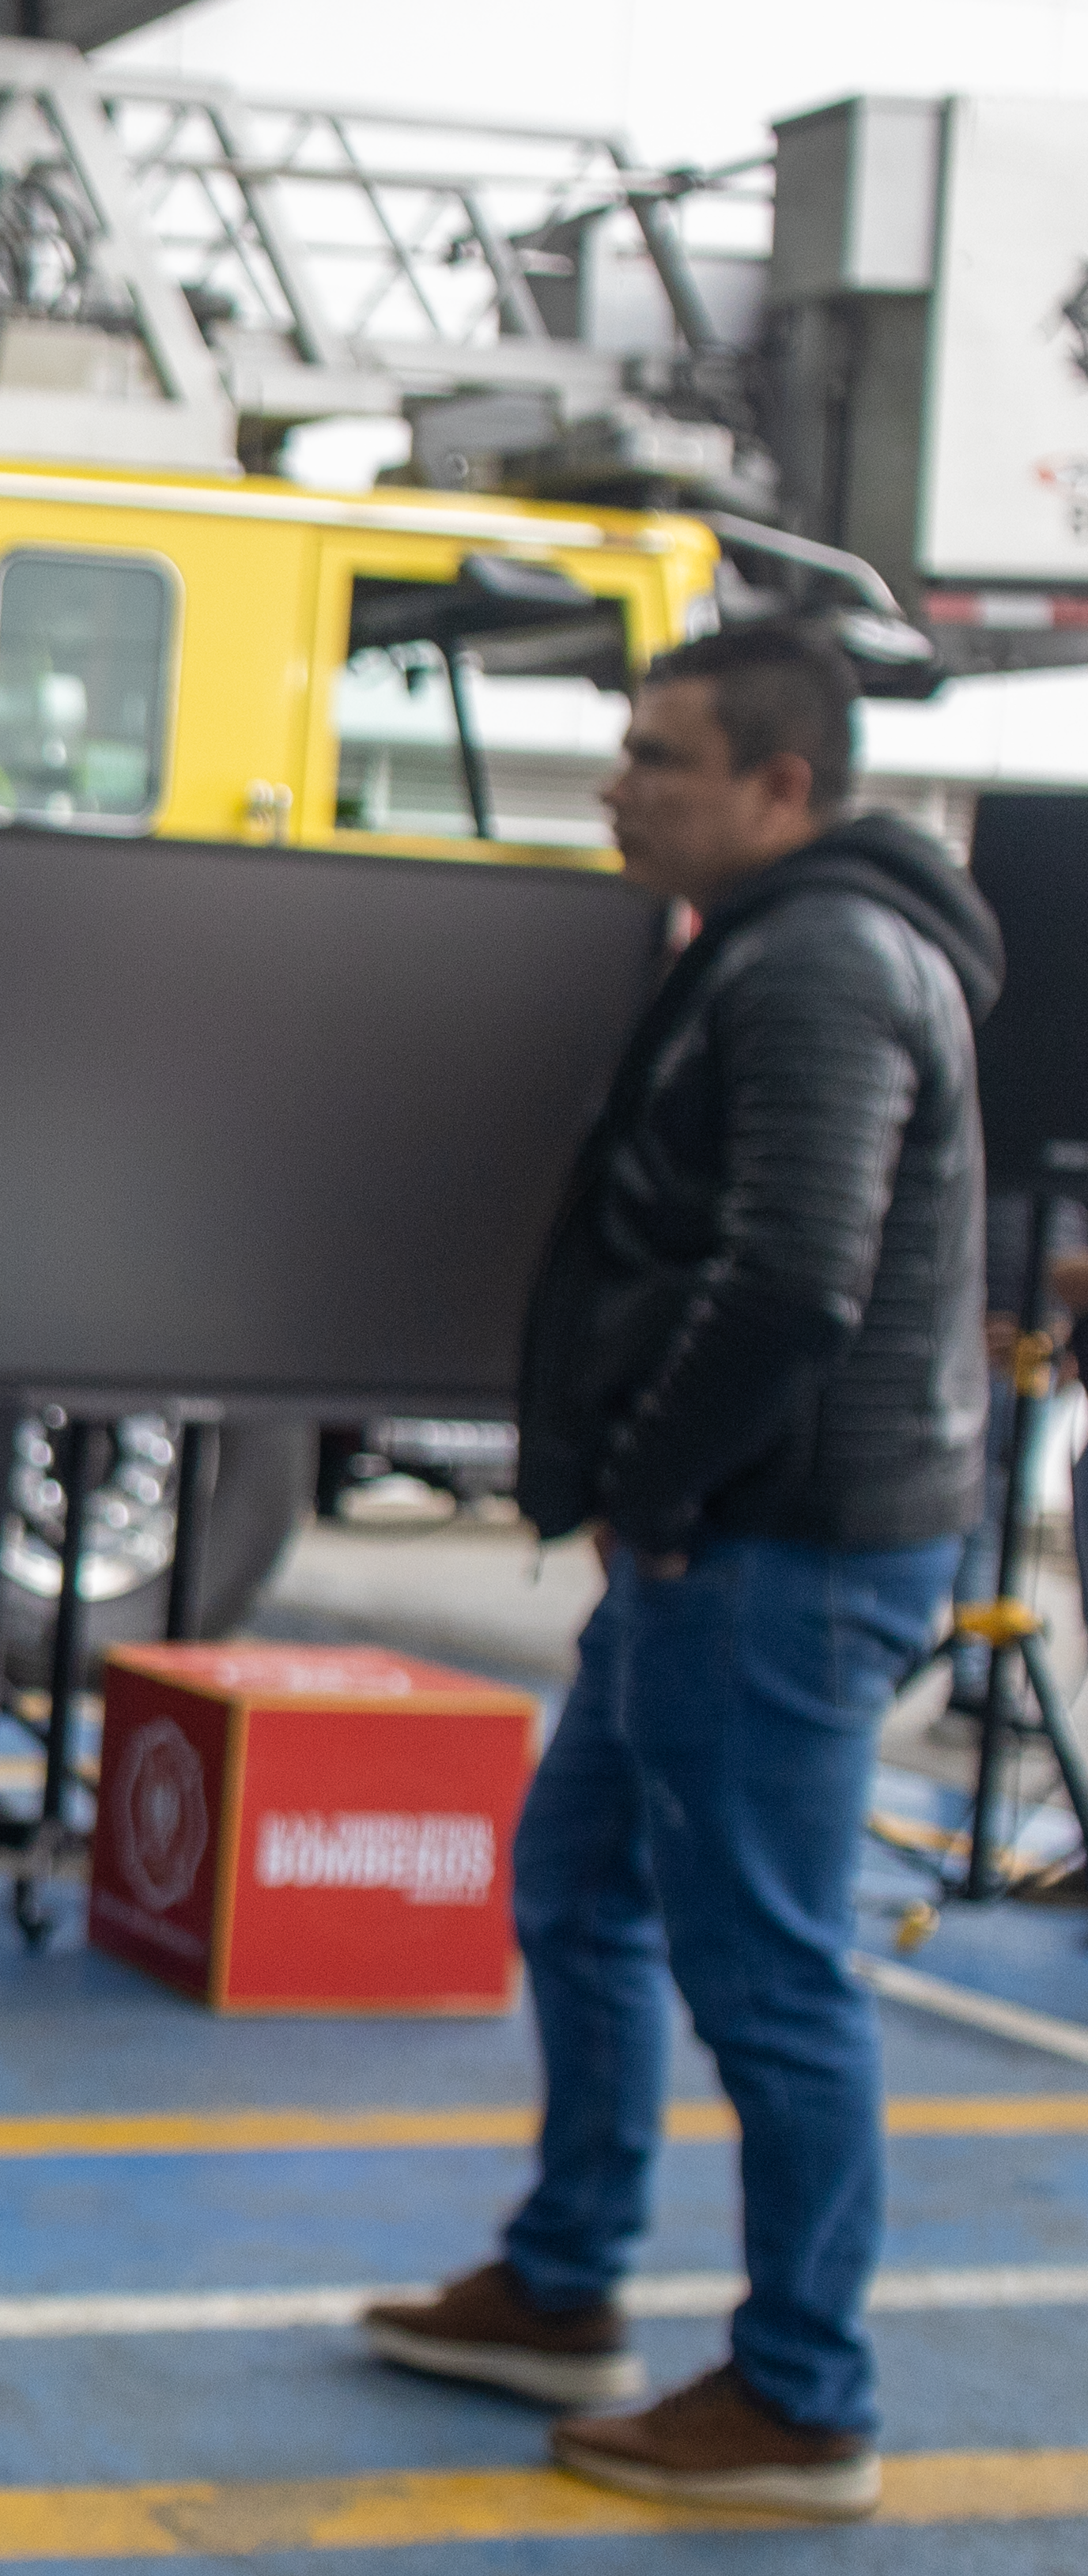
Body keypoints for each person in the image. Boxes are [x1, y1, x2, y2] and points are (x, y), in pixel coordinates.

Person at [363, 624, 995, 2519]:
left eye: (660, 756)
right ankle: (564, 2282)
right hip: (726, 1542)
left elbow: (795, 1278)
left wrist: (649, 1482)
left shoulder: (820, 964)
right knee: (580, 1885)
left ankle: (803, 2394)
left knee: (769, 1970)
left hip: (770, 1549)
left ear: (782, 786)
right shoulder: (775, 946)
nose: (619, 786)